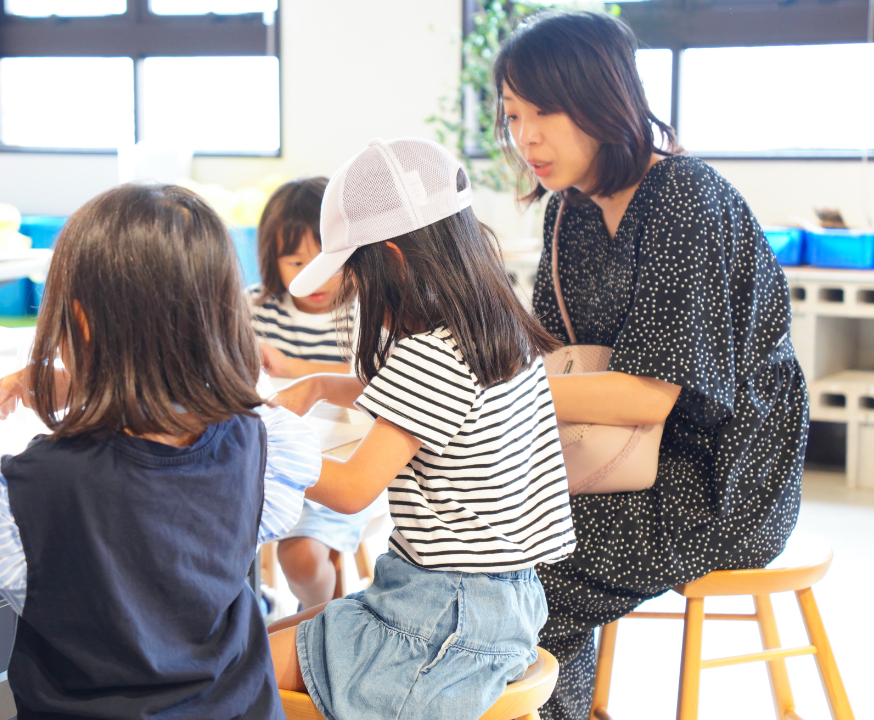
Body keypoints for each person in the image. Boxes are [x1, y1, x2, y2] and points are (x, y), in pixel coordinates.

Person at [493, 11, 808, 719]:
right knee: (493, 541)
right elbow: (556, 359)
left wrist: (500, 392)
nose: (526, 137)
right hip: (624, 459)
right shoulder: (565, 214)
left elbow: (645, 400)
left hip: (725, 475)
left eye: (544, 110)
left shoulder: (685, 199)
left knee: (529, 576)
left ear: (602, 98)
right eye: (513, 116)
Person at [0, 184, 322, 719]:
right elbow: (174, 401)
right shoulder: (256, 442)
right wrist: (86, 385)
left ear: (77, 323)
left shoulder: (34, 486)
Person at [264, 137, 577, 720]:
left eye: (355, 277)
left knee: (243, 668)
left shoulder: (427, 356)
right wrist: (321, 385)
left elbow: (355, 487)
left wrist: (260, 449)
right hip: (504, 603)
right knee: (279, 633)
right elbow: (442, 409)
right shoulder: (497, 331)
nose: (354, 292)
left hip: (443, 618)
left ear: (393, 260)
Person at [248, 177, 381, 610]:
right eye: (295, 261)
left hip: (341, 463)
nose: (313, 275)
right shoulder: (255, 308)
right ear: (271, 261)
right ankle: (250, 621)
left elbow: (374, 377)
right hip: (261, 462)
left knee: (302, 558)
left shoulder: (367, 308)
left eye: (328, 259)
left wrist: (291, 367)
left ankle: (314, 621)